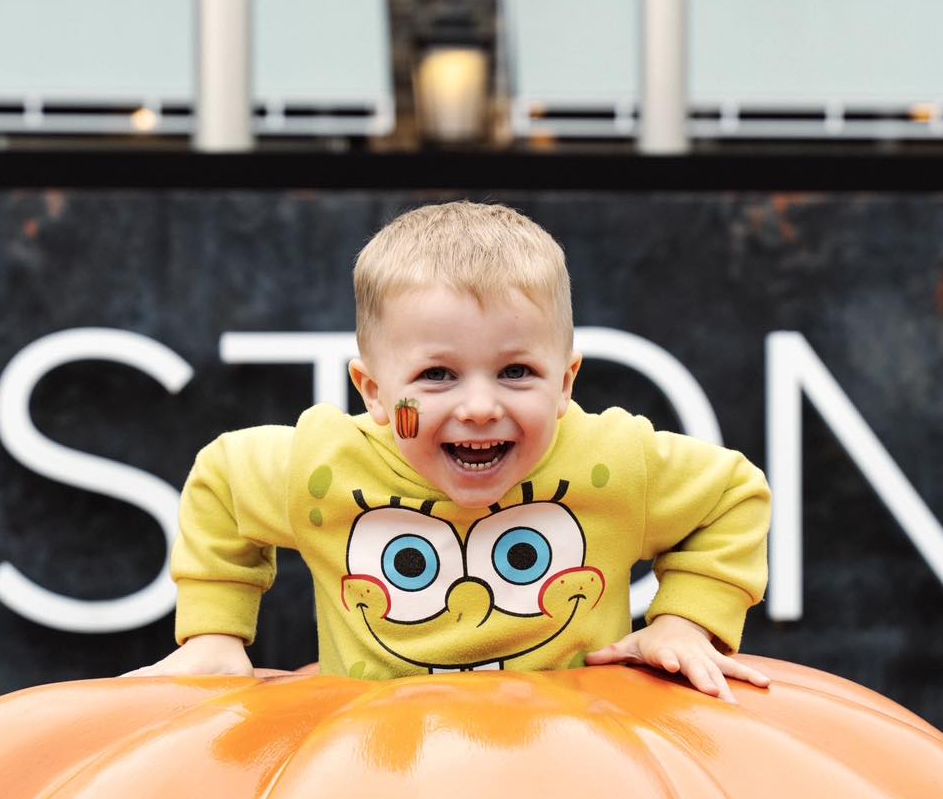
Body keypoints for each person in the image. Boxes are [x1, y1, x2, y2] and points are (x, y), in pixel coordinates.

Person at [134, 201, 771, 702]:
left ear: (566, 383)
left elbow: (732, 495)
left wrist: (684, 623)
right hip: (381, 770)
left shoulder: (609, 460)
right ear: (374, 392)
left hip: (574, 768)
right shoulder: (327, 469)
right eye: (437, 376)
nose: (478, 407)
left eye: (517, 371)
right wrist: (214, 635)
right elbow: (222, 482)